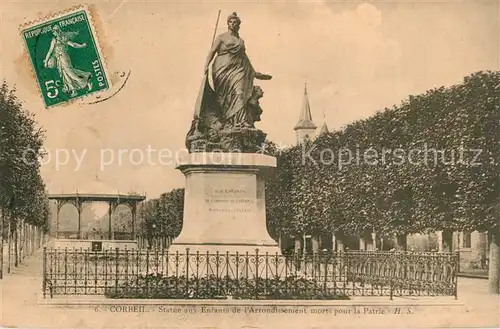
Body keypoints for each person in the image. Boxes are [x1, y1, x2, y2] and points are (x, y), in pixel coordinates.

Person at [203, 12, 271, 128]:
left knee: (239, 93)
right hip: (222, 69)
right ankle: (227, 122)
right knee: (224, 97)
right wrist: (206, 65)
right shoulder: (221, 37)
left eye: (235, 22)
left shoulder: (240, 41)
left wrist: (255, 73)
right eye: (231, 22)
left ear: (238, 25)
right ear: (228, 23)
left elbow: (245, 58)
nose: (233, 24)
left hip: (238, 69)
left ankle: (241, 121)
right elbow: (212, 51)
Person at [43, 25, 92, 97]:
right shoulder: (63, 37)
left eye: (55, 31)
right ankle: (73, 90)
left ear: (57, 32)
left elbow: (50, 51)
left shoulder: (56, 39)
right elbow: (73, 45)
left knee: (70, 73)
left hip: (63, 58)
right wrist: (82, 45)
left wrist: (46, 61)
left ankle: (86, 81)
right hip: (61, 58)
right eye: (54, 32)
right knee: (65, 73)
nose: (54, 33)